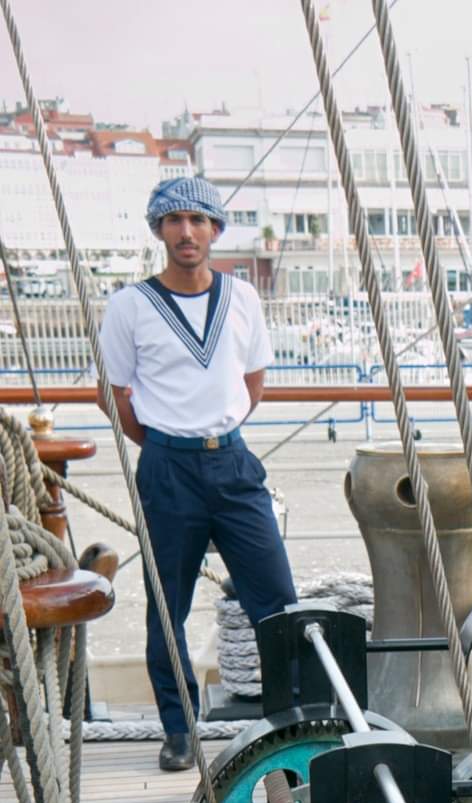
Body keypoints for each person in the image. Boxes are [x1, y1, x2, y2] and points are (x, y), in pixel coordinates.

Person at [97, 175, 296, 770]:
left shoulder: (242, 297)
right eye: (175, 221)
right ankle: (180, 731)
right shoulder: (131, 306)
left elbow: (253, 382)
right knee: (168, 607)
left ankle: (292, 722)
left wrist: (215, 433)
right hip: (167, 469)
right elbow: (113, 393)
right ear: (160, 230)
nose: (187, 231)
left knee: (278, 602)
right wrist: (164, 442)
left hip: (233, 463)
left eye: (198, 220)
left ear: (215, 230)